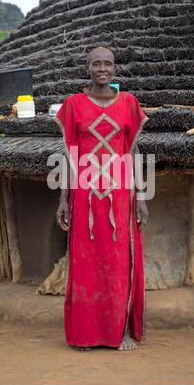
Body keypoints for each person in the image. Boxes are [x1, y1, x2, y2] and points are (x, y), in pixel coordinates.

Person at [53, 47, 149, 351]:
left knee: (120, 265)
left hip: (121, 196)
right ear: (88, 68)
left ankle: (119, 332)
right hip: (85, 196)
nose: (102, 68)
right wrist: (63, 199)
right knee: (86, 266)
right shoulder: (73, 105)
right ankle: (85, 333)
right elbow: (70, 158)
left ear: (115, 68)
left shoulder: (129, 104)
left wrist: (142, 197)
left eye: (108, 63)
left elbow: (133, 155)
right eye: (97, 64)